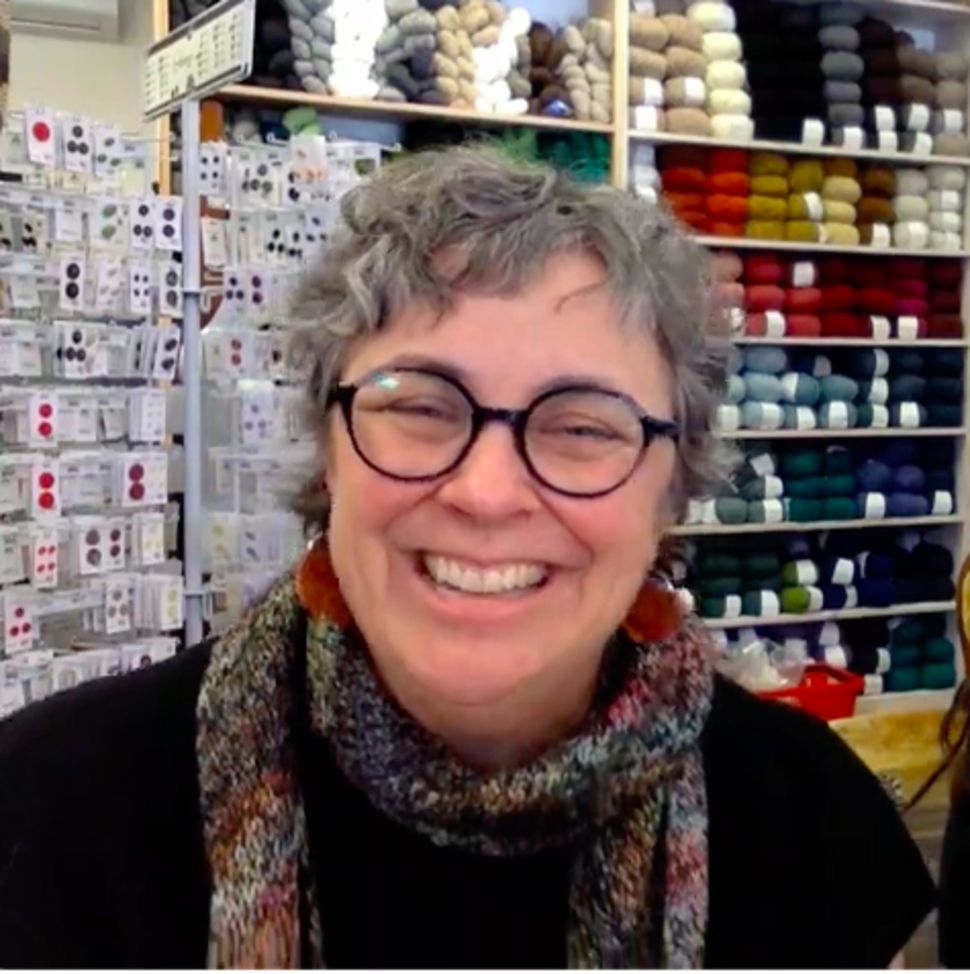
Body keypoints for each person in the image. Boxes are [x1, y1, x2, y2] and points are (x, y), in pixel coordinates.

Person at [0, 147, 933, 968]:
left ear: (670, 494)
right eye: (419, 406)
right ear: (328, 453)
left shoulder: (809, 831)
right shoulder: (57, 816)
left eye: (582, 427)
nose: (487, 493)